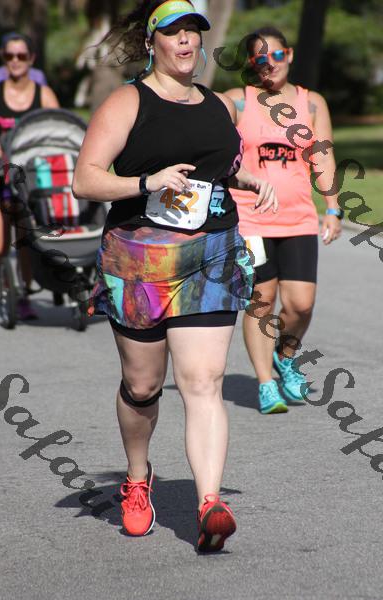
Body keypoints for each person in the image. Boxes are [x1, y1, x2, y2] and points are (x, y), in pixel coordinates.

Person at [73, 0, 277, 552]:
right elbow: (86, 180)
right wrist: (147, 182)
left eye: (193, 31)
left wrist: (247, 181)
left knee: (204, 380)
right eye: (173, 31)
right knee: (143, 386)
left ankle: (210, 503)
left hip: (211, 251)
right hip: (139, 258)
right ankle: (138, 478)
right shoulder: (127, 102)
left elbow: (216, 170)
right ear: (152, 42)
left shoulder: (216, 105)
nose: (185, 40)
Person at [226, 26, 342, 415]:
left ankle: (285, 357)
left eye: (276, 55)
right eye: (260, 58)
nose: (269, 64)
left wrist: (333, 207)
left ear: (288, 55)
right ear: (251, 63)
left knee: (301, 305)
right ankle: (265, 384)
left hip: (298, 218)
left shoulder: (312, 104)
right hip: (250, 219)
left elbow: (322, 157)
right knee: (262, 301)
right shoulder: (238, 102)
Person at [0, 32, 58, 313]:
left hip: (27, 178)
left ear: (31, 59)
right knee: (0, 245)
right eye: (9, 55)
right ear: (3, 58)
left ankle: (24, 295)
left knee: (25, 242)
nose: (15, 61)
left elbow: (57, 129)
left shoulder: (44, 94)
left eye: (21, 55)